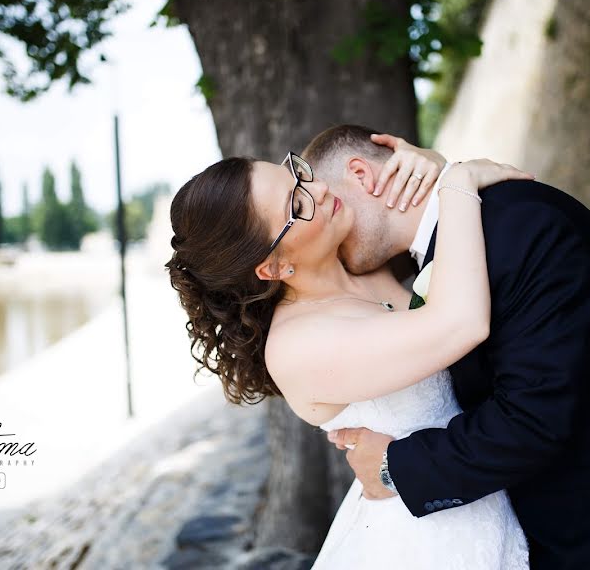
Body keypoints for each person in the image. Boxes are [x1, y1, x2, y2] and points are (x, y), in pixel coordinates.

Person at [313, 125, 590, 569]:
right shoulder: (464, 238)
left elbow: (535, 416)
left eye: (330, 207)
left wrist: (393, 467)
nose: (325, 234)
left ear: (363, 177)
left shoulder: (518, 226)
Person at [165, 144, 535, 568]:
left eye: (298, 177)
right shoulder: (296, 348)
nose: (320, 188)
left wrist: (430, 169)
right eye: (299, 203)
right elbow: (461, 323)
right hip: (428, 538)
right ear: (272, 267)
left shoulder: (364, 260)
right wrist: (457, 181)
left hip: (491, 477)